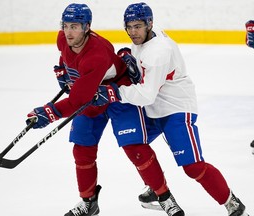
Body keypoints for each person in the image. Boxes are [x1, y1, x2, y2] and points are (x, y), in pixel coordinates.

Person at [26, 3, 185, 216]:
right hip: (91, 93)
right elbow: (66, 57)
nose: (69, 31)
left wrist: (50, 112)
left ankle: (165, 197)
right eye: (66, 25)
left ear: (87, 27)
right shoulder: (62, 38)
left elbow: (77, 101)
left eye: (75, 26)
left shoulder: (97, 55)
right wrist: (64, 70)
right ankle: (88, 202)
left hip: (118, 92)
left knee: (135, 147)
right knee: (82, 148)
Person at [94, 2, 249, 216]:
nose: (132, 32)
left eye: (137, 26)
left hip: (175, 108)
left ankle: (232, 203)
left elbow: (146, 94)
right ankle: (155, 185)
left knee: (193, 167)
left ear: (149, 24)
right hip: (154, 107)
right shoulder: (149, 37)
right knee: (133, 143)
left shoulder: (157, 52)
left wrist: (115, 91)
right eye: (128, 27)